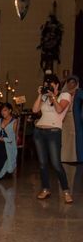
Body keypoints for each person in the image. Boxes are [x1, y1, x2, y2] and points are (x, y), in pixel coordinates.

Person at [32, 73, 73, 203]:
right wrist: (40, 94)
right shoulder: (44, 96)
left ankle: (66, 191)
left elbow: (60, 109)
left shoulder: (65, 95)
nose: (47, 86)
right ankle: (45, 189)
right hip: (39, 131)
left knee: (56, 164)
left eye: (50, 84)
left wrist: (53, 96)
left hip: (54, 132)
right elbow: (34, 110)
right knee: (43, 164)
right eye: (45, 84)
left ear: (56, 84)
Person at [61, 75, 80, 163]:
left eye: (73, 83)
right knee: (64, 137)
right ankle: (64, 157)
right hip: (64, 116)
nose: (70, 84)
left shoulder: (78, 93)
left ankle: (73, 158)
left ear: (76, 84)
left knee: (72, 137)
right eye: (69, 82)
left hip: (73, 117)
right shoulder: (64, 93)